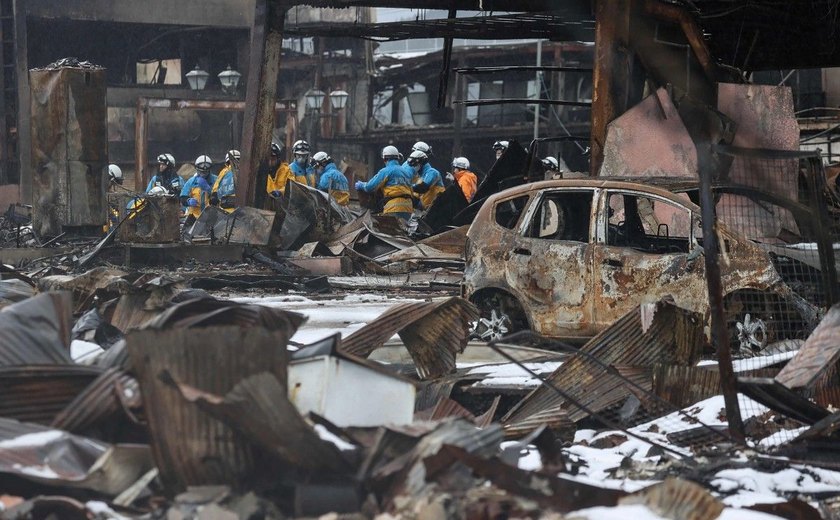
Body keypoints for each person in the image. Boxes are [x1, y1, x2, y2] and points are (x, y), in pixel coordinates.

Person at [354, 145, 414, 221]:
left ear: (385, 158)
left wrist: (361, 185)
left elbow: (370, 187)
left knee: (390, 231)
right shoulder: (406, 173)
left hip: (394, 207)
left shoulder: (386, 171)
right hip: (408, 208)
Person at [180, 155, 217, 226]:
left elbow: (218, 198)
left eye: (205, 172)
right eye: (201, 172)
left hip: (211, 217)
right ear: (197, 170)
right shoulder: (191, 182)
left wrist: (209, 190)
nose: (203, 174)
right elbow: (183, 198)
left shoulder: (216, 180)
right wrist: (188, 201)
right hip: (194, 217)